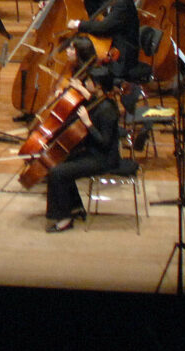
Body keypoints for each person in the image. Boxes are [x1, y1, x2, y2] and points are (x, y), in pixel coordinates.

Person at [43, 51, 124, 233]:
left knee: (57, 172)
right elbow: (89, 99)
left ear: (98, 86)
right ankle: (74, 207)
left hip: (103, 159)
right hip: (93, 152)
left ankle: (64, 219)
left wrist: (88, 124)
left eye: (89, 83)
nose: (86, 84)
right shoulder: (100, 100)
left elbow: (104, 142)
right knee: (60, 163)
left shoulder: (107, 110)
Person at [72, 0, 142, 78]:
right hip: (113, 45)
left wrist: (78, 24)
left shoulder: (122, 3)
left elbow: (104, 27)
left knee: (85, 52)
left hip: (121, 56)